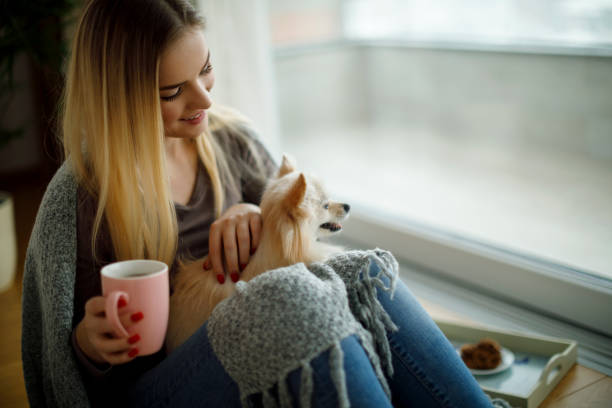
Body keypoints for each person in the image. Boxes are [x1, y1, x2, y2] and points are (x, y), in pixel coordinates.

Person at [21, 0, 494, 407]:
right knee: (290, 299)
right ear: (119, 97)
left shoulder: (233, 142)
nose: (204, 97)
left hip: (260, 346)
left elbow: (292, 232)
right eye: (173, 91)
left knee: (363, 273)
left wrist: (254, 213)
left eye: (205, 70)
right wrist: (88, 345)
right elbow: (62, 379)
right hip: (157, 387)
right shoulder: (80, 200)